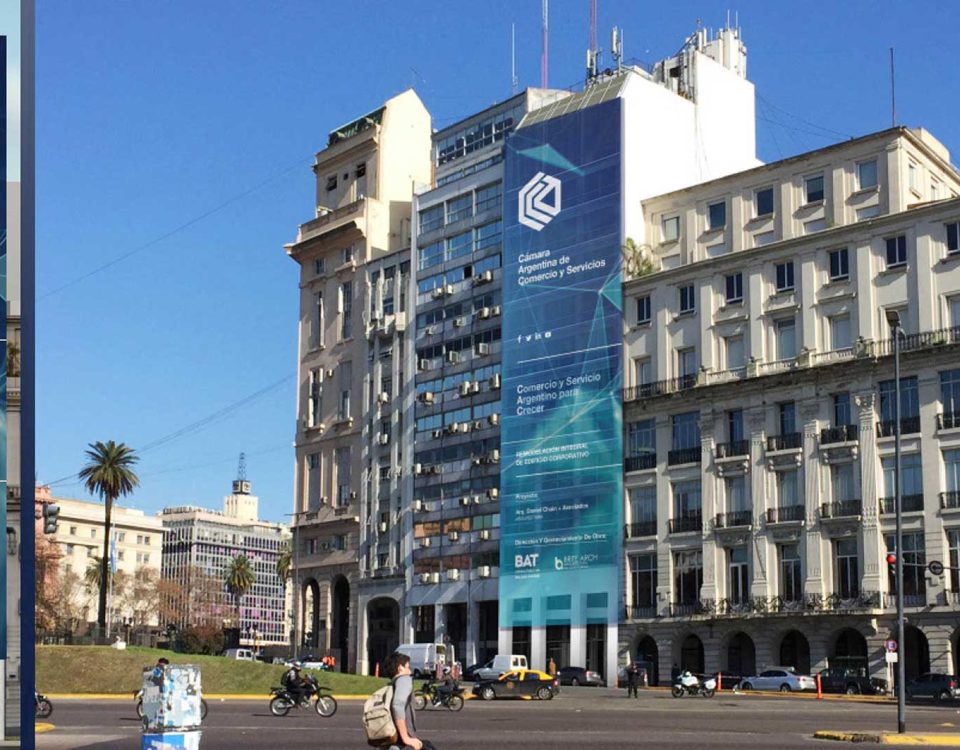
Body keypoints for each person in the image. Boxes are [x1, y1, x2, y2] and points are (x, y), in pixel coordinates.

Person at [383, 651, 436, 750]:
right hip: (403, 744)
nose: (410, 671)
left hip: (391, 741)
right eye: (408, 667)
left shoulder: (390, 686)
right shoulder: (404, 679)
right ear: (400, 668)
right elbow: (397, 705)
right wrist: (406, 738)